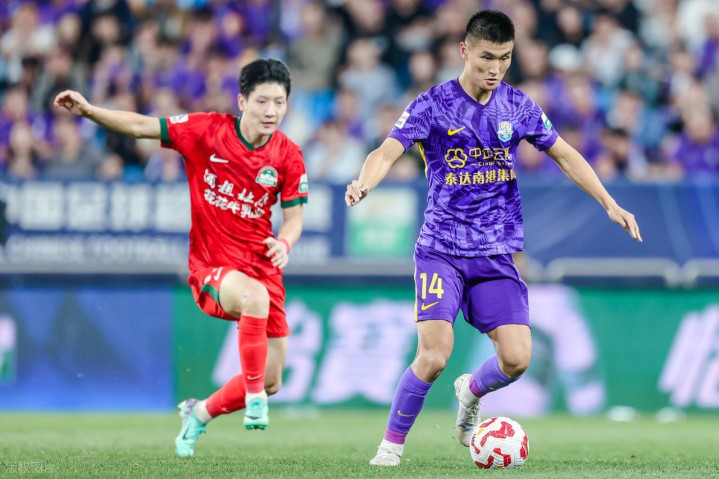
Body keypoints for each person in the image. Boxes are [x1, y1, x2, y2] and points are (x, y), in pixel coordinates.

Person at [344, 10, 642, 467]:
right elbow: (387, 150)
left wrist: (609, 202)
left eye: (504, 58)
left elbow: (564, 154)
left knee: (517, 359)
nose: (495, 68)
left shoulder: (518, 106)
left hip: (496, 253)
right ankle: (390, 447)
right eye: (486, 57)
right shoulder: (433, 104)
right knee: (434, 355)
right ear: (464, 51)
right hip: (441, 250)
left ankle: (471, 392)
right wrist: (365, 182)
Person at [54, 58, 308, 457]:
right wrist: (89, 111)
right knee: (254, 303)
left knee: (273, 379)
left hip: (263, 268)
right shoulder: (207, 130)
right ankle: (255, 400)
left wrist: (285, 243)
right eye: (262, 101)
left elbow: (294, 219)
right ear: (242, 101)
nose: (271, 111)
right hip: (213, 267)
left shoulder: (288, 155)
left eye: (279, 102)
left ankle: (199, 412)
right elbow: (141, 126)